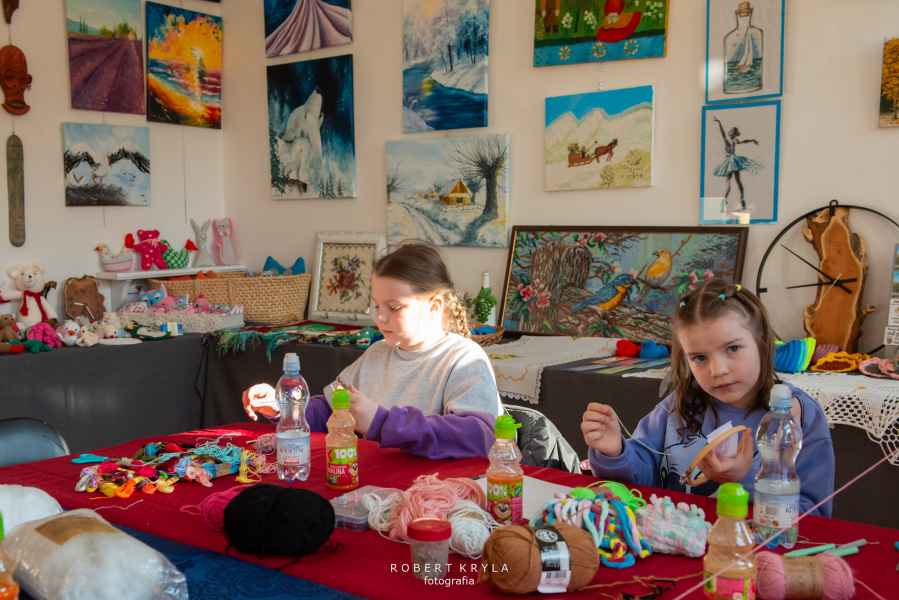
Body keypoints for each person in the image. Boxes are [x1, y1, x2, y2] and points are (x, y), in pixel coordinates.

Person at [581, 280, 835, 516]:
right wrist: (615, 452)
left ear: (762, 344)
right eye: (699, 358)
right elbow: (640, 483)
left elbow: (815, 514)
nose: (718, 370)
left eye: (732, 348)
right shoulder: (677, 406)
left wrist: (740, 482)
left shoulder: (798, 415)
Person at [245, 243, 502, 459]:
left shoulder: (463, 359)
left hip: (435, 492)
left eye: (394, 307)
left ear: (434, 306)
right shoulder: (378, 352)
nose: (380, 317)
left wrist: (381, 422)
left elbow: (479, 436)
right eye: (377, 306)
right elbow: (331, 411)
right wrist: (286, 408)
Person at [712, 116, 762, 211]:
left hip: (729, 162)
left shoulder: (728, 140)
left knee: (729, 183)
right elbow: (741, 141)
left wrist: (719, 123)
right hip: (733, 162)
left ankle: (725, 202)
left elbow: (723, 133)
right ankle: (741, 199)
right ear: (734, 135)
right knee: (737, 182)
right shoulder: (733, 140)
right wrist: (752, 140)